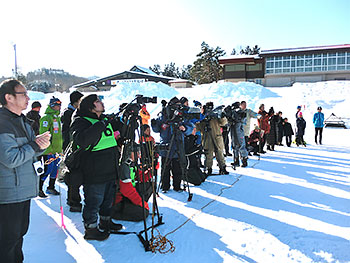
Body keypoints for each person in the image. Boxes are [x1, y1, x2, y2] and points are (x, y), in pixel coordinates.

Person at [0, 79, 51, 263]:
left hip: (22, 191)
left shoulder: (22, 121)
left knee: (18, 237)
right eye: (24, 94)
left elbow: (28, 150)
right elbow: (10, 159)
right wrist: (34, 144)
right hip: (8, 194)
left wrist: (40, 144)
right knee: (7, 242)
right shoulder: (3, 122)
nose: (28, 98)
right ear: (9, 97)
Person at [70, 94, 122, 241]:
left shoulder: (103, 119)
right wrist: (100, 125)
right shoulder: (81, 121)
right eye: (97, 101)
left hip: (110, 169)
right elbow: (82, 141)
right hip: (94, 171)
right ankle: (91, 229)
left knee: (108, 200)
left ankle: (106, 222)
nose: (101, 103)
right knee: (93, 202)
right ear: (90, 107)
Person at [151, 96, 194, 192]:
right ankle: (164, 186)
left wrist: (185, 128)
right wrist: (154, 124)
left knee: (177, 169)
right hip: (165, 147)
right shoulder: (163, 116)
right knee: (165, 169)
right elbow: (156, 129)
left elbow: (190, 127)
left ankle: (177, 186)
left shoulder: (182, 116)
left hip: (177, 146)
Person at [61, 91, 84, 212]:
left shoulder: (71, 112)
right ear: (75, 102)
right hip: (72, 149)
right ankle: (73, 201)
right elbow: (69, 133)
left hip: (74, 147)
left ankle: (73, 199)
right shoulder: (69, 113)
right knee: (74, 174)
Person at [38, 97, 63, 197]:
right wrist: (47, 149)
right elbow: (44, 134)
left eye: (59, 105)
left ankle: (51, 187)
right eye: (57, 105)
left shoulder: (57, 117)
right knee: (48, 169)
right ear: (52, 106)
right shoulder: (46, 118)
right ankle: (39, 188)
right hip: (49, 150)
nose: (59, 107)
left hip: (57, 150)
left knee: (55, 169)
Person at [196, 102, 229, 174]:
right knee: (208, 154)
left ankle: (222, 167)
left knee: (220, 153)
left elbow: (223, 123)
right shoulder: (202, 116)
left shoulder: (215, 115)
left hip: (217, 137)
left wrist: (222, 116)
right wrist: (202, 119)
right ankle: (208, 169)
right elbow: (197, 127)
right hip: (207, 138)